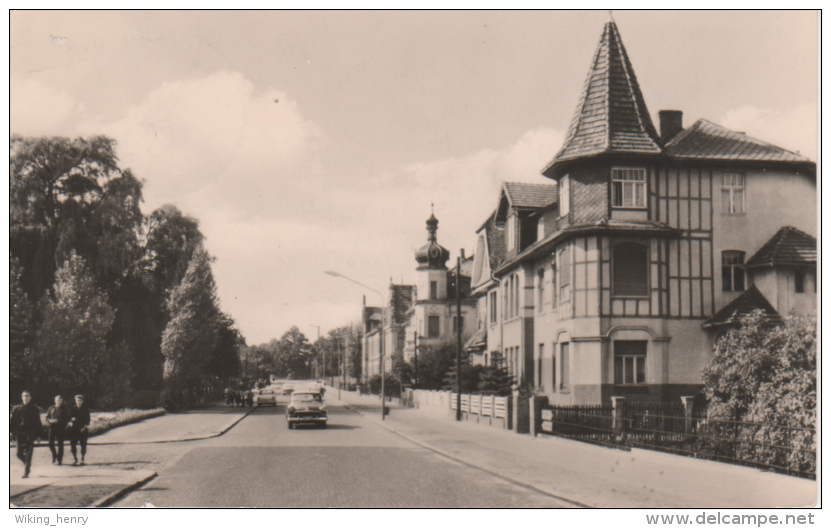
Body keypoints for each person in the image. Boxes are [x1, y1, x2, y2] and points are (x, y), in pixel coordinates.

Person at [10, 391, 43, 478]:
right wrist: (10, 432)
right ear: (21, 397)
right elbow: (12, 422)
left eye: (27, 396)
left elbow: (38, 422)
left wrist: (39, 435)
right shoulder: (16, 409)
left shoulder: (34, 409)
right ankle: (27, 462)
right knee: (18, 453)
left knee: (29, 452)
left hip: (30, 432)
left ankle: (26, 471)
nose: (25, 398)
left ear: (30, 398)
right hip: (19, 432)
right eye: (24, 396)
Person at [46, 395, 71, 465]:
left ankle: (59, 459)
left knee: (60, 444)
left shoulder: (65, 409)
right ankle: (54, 455)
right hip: (52, 427)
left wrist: (58, 421)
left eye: (60, 400)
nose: (58, 401)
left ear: (62, 401)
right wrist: (50, 421)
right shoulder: (51, 408)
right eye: (57, 400)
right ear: (55, 400)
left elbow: (67, 418)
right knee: (50, 443)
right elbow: (47, 417)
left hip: (61, 428)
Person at [67, 394, 91, 466]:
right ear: (75, 401)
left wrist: (85, 426)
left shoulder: (86, 409)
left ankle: (82, 458)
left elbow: (88, 420)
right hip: (74, 429)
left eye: (80, 401)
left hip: (82, 428)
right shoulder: (72, 409)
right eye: (77, 400)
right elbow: (69, 418)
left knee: (83, 445)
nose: (78, 402)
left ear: (82, 401)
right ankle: (75, 459)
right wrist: (71, 420)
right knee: (73, 444)